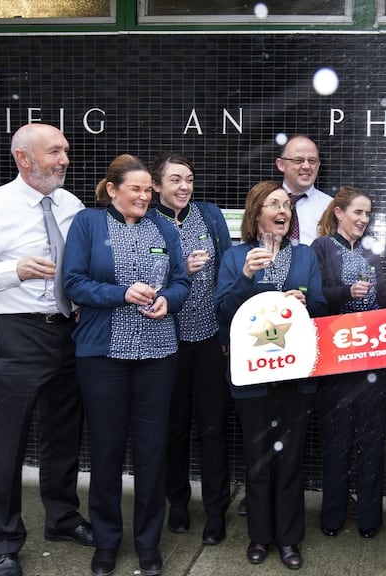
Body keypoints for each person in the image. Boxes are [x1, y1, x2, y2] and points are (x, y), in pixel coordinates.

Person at [0, 123, 93, 576]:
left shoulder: (72, 205)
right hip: (16, 334)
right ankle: (3, 543)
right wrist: (14, 270)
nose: (64, 160)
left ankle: (62, 518)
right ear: (24, 158)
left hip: (69, 333)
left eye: (66, 151)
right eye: (54, 152)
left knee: (63, 434)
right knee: (6, 443)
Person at [62, 154, 191, 576]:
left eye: (147, 189)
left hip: (157, 354)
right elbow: (74, 282)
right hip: (102, 356)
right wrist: (121, 293)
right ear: (112, 189)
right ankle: (106, 541)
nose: (143, 195)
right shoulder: (88, 224)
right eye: (134, 188)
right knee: (107, 450)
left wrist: (169, 299)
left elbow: (181, 281)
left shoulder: (163, 228)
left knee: (152, 451)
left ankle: (148, 543)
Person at [216, 180, 327, 570]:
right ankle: (260, 538)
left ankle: (289, 540)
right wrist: (245, 277)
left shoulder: (305, 257)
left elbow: (320, 304)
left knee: (291, 459)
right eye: (273, 204)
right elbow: (224, 311)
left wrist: (305, 301)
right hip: (251, 376)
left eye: (286, 206)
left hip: (296, 376)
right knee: (258, 459)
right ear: (256, 213)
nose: (282, 210)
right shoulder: (235, 257)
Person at [149, 154, 234, 545]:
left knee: (214, 428)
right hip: (168, 341)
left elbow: (227, 268)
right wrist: (180, 267)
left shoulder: (209, 215)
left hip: (210, 340)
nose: (184, 187)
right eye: (175, 180)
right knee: (174, 427)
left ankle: (216, 511)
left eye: (189, 179)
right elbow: (141, 275)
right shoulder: (149, 221)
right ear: (157, 186)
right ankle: (178, 501)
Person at [310, 186, 386, 540]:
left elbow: (385, 301)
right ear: (339, 213)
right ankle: (333, 515)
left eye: (368, 214)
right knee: (337, 441)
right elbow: (313, 299)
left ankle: (370, 517)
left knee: (372, 442)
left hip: (372, 361)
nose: (363, 219)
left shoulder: (372, 252)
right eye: (357, 212)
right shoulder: (322, 247)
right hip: (336, 360)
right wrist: (346, 293)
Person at [276, 134, 332, 246]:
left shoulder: (331, 208)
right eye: (298, 160)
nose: (306, 166)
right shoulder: (263, 204)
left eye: (312, 161)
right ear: (281, 164)